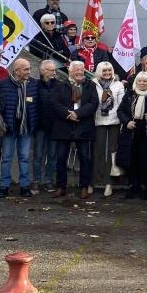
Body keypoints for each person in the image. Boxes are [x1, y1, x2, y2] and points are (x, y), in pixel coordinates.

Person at [49, 59, 98, 199]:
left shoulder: (90, 85)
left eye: (81, 70)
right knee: (60, 157)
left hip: (83, 126)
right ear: (69, 71)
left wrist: (78, 113)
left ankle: (84, 187)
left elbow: (94, 103)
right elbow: (54, 103)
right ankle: (61, 187)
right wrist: (68, 114)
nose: (79, 72)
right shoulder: (60, 85)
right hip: (64, 126)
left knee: (84, 157)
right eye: (76, 69)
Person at [0, 58, 39, 197]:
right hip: (9, 127)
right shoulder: (3, 84)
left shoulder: (33, 84)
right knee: (7, 157)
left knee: (24, 157)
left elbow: (37, 106)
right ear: (16, 70)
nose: (29, 71)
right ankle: (4, 186)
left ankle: (24, 186)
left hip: (26, 127)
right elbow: (0, 106)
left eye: (29, 69)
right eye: (25, 69)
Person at [117, 70, 147, 200]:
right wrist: (127, 122)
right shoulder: (129, 94)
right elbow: (120, 111)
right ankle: (132, 186)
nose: (142, 83)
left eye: (145, 81)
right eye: (140, 81)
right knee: (131, 160)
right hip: (131, 132)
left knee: (144, 161)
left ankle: (143, 187)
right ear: (136, 82)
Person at [92, 61, 125, 196]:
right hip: (98, 121)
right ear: (99, 71)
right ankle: (92, 182)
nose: (107, 73)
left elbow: (121, 104)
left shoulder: (118, 85)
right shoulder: (92, 84)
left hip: (114, 121)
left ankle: (108, 183)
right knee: (97, 151)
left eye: (109, 70)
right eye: (104, 71)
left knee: (112, 153)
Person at [33, 60, 62, 192]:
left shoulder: (60, 86)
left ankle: (49, 180)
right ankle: (36, 181)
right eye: (51, 70)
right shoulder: (35, 85)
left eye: (54, 70)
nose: (54, 72)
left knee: (52, 156)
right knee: (38, 155)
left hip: (55, 126)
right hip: (39, 126)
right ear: (43, 71)